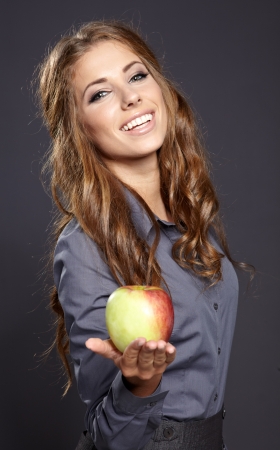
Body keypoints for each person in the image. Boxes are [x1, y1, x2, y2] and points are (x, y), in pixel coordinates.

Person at [37, 20, 248, 450]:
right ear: (79, 129)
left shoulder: (189, 219)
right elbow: (105, 431)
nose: (131, 96)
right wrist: (139, 384)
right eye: (100, 93)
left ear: (160, 86)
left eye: (137, 75)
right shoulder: (85, 246)